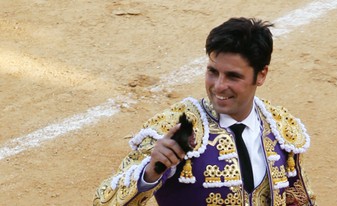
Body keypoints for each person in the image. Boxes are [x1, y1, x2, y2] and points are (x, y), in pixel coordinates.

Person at [94, 17, 317, 206]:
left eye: (233, 76)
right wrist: (150, 172)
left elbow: (299, 200)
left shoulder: (280, 129)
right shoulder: (175, 128)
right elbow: (105, 200)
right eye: (212, 71)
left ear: (261, 75)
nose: (218, 85)